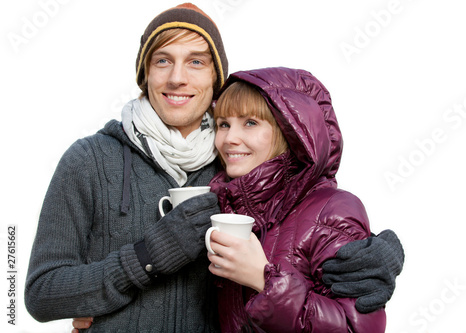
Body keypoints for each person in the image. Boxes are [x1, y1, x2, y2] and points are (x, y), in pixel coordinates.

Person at [24, 3, 403, 333]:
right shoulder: (88, 160)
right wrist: (148, 256)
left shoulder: (238, 163)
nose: (177, 77)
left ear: (215, 79)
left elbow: (308, 200)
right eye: (162, 60)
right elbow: (42, 294)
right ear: (145, 76)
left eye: (196, 62)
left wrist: (376, 257)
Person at [205, 67, 387, 332]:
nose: (230, 139)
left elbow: (356, 328)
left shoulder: (334, 209)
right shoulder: (226, 203)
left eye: (250, 123)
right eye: (223, 124)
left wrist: (265, 281)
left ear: (289, 131)